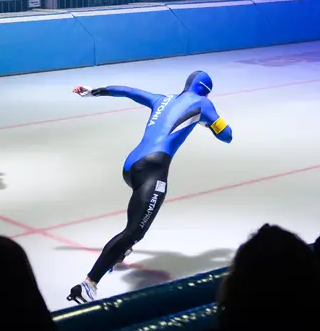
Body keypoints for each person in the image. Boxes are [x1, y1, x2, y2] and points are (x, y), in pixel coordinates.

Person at [67, 70, 233, 304]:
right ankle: (88, 284)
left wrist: (91, 92)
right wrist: (210, 124)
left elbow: (127, 91)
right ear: (206, 90)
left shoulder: (162, 99)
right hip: (153, 169)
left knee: (134, 228)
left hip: (131, 166)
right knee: (133, 232)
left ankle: (121, 251)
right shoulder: (203, 104)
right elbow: (227, 135)